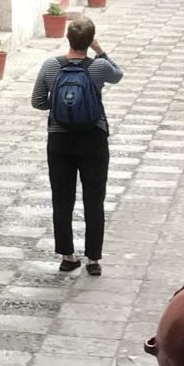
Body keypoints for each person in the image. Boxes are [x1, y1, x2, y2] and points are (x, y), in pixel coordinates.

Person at [30, 14, 124, 275]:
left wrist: (60, 107)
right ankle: (93, 260)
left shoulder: (51, 66)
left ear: (67, 38)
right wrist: (101, 51)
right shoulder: (98, 68)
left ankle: (67, 256)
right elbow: (118, 75)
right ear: (89, 41)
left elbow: (37, 101)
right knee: (94, 198)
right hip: (93, 138)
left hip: (59, 140)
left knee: (62, 198)